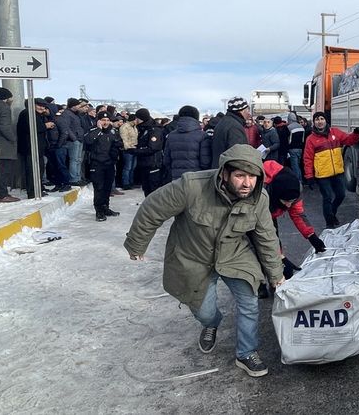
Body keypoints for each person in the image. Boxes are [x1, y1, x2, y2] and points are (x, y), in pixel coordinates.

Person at [124, 144, 284, 378]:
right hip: (193, 256)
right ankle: (211, 324)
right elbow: (152, 208)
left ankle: (246, 352)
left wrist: (275, 274)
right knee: (205, 311)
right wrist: (137, 244)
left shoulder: (258, 198)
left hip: (234, 254)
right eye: (240, 176)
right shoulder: (192, 186)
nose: (247, 183)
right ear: (225, 173)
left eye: (252, 176)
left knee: (250, 301)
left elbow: (266, 237)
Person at [263, 159, 326, 279]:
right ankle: (260, 282)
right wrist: (281, 257)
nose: (288, 206)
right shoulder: (263, 192)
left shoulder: (295, 187)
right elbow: (265, 233)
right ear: (277, 196)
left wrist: (312, 236)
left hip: (271, 211)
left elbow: (298, 214)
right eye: (286, 201)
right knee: (260, 247)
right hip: (254, 218)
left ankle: (275, 276)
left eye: (291, 202)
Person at [303, 112, 359, 229]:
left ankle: (332, 213)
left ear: (325, 120)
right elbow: (307, 158)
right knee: (327, 197)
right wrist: (309, 176)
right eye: (317, 119)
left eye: (322, 119)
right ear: (314, 122)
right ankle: (329, 223)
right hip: (323, 175)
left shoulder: (335, 132)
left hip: (337, 172)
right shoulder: (311, 139)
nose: (319, 121)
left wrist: (356, 133)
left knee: (341, 195)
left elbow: (349, 140)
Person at [84, 113, 122, 221]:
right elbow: (88, 141)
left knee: (107, 187)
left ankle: (106, 208)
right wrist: (98, 129)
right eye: (103, 120)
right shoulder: (93, 131)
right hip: (97, 164)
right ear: (99, 120)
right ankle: (99, 211)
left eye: (107, 120)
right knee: (99, 188)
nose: (105, 122)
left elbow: (118, 143)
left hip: (109, 164)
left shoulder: (113, 131)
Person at [17, 98, 54, 198]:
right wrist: (45, 125)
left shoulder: (38, 115)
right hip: (30, 147)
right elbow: (32, 128)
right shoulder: (27, 114)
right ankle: (32, 192)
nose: (42, 108)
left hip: (38, 147)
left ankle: (38, 188)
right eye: (39, 105)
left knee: (40, 169)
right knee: (32, 170)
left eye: (44, 106)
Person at [163, 105, 211, 180]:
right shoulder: (202, 136)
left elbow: (166, 160)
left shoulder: (171, 135)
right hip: (196, 178)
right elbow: (205, 162)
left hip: (176, 179)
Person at [133, 108, 166, 196]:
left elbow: (152, 148)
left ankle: (154, 209)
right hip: (144, 163)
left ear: (142, 118)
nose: (136, 120)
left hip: (153, 164)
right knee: (146, 189)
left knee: (153, 191)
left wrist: (134, 151)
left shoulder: (154, 130)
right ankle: (149, 209)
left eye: (137, 118)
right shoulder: (143, 128)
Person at [211, 97, 250, 168]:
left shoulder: (223, 122)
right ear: (242, 111)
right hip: (228, 171)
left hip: (219, 167)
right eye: (247, 109)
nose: (249, 113)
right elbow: (237, 155)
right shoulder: (234, 127)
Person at [119, 114, 139, 189]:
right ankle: (125, 183)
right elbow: (124, 138)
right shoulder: (125, 127)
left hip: (134, 148)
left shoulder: (134, 127)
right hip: (128, 149)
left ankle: (131, 182)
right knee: (127, 167)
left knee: (133, 167)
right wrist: (128, 147)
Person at [286, 112, 306, 183]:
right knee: (298, 165)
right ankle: (301, 180)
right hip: (300, 149)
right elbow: (303, 139)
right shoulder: (301, 127)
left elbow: (288, 140)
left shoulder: (289, 127)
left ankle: (298, 181)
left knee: (295, 166)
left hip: (292, 149)